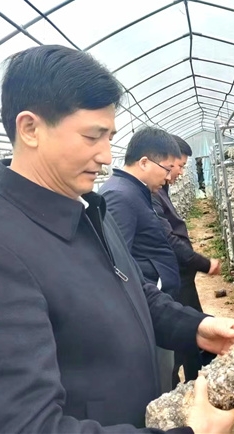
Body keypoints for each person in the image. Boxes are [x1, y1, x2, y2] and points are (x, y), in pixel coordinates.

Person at [0, 44, 234, 434]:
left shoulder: (87, 208)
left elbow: (133, 292)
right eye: (93, 137)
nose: (106, 155)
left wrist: (195, 327)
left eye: (109, 137)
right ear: (30, 129)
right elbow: (21, 426)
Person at [98, 128, 183, 394]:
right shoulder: (120, 195)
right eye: (166, 168)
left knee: (167, 374)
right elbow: (115, 260)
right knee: (157, 382)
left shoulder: (134, 192)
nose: (168, 177)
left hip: (154, 302)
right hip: (146, 309)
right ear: (144, 162)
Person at [151, 135, 222, 388]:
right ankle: (182, 388)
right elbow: (168, 238)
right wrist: (203, 263)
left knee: (192, 328)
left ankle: (197, 380)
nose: (179, 172)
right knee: (181, 336)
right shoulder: (148, 194)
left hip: (181, 276)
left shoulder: (161, 190)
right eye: (178, 166)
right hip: (173, 279)